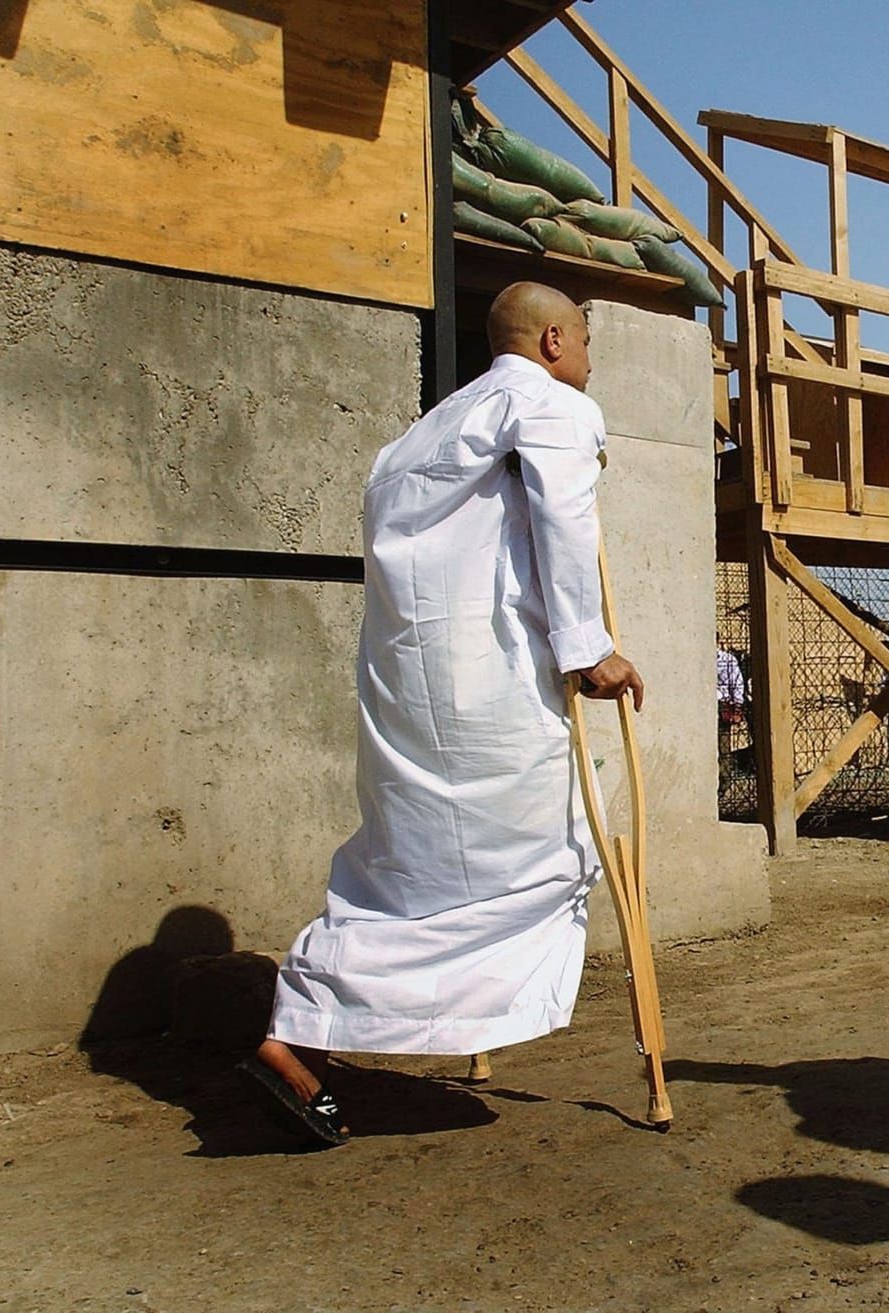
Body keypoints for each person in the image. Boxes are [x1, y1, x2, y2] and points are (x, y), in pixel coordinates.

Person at [241, 282, 644, 1146]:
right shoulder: (550, 403)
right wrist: (586, 644)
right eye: (583, 340)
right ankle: (310, 1014)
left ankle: (307, 1020)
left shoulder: (415, 438)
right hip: (492, 680)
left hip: (407, 682)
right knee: (546, 858)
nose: (588, 358)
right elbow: (565, 517)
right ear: (550, 340)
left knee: (409, 863)